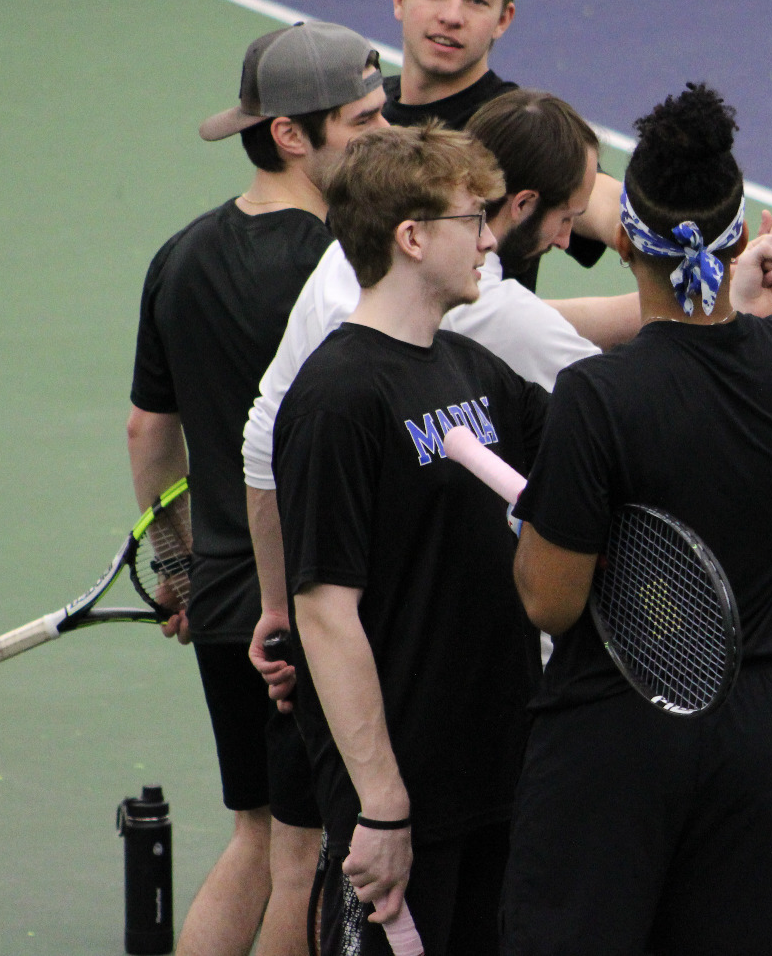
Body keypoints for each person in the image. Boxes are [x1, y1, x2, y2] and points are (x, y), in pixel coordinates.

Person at [243, 88, 772, 713]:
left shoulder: (355, 257)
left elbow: (260, 442)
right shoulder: (498, 322)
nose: (570, 238)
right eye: (566, 217)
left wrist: (281, 610)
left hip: (347, 631)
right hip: (444, 666)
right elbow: (636, 404)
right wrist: (740, 312)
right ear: (518, 205)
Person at [501, 83, 772, 956]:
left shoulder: (595, 398)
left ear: (624, 237)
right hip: (755, 740)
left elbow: (549, 601)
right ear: (737, 235)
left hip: (613, 740)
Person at [126, 20, 388, 956]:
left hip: (230, 603)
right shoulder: (343, 270)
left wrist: (183, 569)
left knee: (256, 833)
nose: (385, 136)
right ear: (290, 134)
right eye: (362, 122)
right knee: (304, 855)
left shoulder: (179, 256)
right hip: (307, 611)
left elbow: (148, 435)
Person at [273, 123, 541, 956]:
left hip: (494, 779)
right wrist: (382, 804)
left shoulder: (470, 369)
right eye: (474, 218)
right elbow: (324, 613)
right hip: (403, 805)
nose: (492, 239)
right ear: (413, 236)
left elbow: (592, 447)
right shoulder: (336, 401)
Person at [384, 0, 611, 290]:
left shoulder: (517, 126)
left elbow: (609, 205)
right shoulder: (361, 110)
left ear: (503, 18)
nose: (452, 16)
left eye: (476, 0)